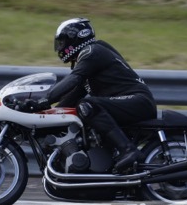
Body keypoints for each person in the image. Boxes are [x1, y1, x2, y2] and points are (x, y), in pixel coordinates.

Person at [22, 18, 157, 173]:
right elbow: (74, 94)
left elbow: (73, 79)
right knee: (83, 107)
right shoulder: (91, 56)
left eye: (63, 42)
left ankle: (128, 150)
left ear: (76, 38)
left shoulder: (92, 51)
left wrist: (43, 101)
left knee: (87, 106)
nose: (60, 47)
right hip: (130, 102)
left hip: (138, 101)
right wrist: (47, 115)